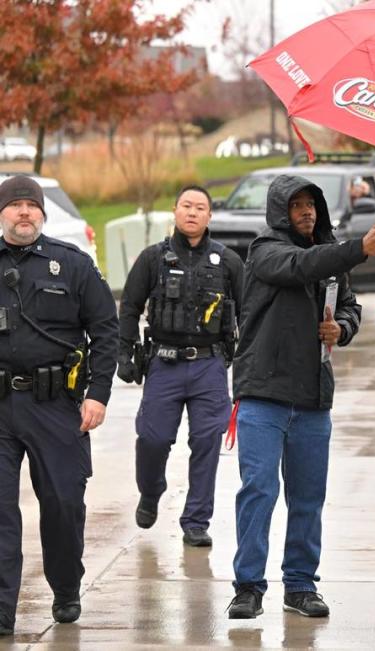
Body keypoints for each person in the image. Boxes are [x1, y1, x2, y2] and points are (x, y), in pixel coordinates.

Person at [226, 174, 375, 620]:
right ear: (280, 210)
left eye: (312, 205)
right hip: (263, 393)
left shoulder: (329, 257)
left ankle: (300, 585)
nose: (306, 212)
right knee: (258, 491)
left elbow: (351, 306)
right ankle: (248, 587)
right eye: (297, 205)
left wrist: (344, 328)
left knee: (308, 496)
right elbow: (300, 266)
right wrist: (359, 247)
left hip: (314, 397)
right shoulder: (264, 249)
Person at [0, 175, 118, 634]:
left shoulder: (71, 264)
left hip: (55, 405)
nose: (24, 212)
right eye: (15, 205)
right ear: (2, 213)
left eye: (32, 205)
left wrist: (98, 393)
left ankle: (66, 589)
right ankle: (2, 612)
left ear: (43, 214)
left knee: (64, 504)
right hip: (1, 404)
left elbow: (106, 330)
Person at [117, 185, 244, 547]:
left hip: (209, 365)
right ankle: (152, 490)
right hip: (164, 362)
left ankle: (196, 521)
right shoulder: (152, 259)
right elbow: (128, 307)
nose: (192, 212)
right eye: (186, 206)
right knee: (153, 438)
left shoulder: (229, 261)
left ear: (209, 216)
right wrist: (124, 353)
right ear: (174, 211)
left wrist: (248, 364)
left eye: (200, 207)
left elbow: (249, 313)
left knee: (206, 440)